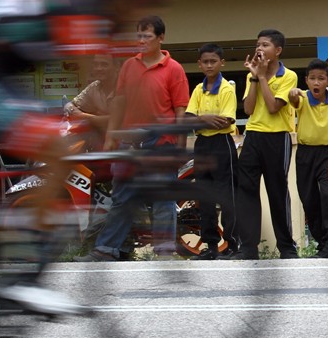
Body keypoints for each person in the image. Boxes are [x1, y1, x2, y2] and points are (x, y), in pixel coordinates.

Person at [0, 0, 166, 311]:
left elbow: (116, 96)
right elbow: (106, 86)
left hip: (3, 74)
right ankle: (22, 279)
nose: (139, 9)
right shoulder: (85, 8)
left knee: (52, 149)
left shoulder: (91, 4)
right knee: (56, 151)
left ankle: (22, 271)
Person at [76, 16, 190, 262]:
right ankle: (106, 250)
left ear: (161, 38)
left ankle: (164, 253)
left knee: (163, 199)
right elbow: (119, 103)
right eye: (138, 36)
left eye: (147, 36)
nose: (141, 41)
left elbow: (180, 109)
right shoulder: (129, 66)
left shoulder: (174, 69)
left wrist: (179, 145)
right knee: (122, 198)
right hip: (128, 143)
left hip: (160, 143)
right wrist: (110, 140)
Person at [230, 29, 299, 260]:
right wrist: (253, 78)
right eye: (258, 44)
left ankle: (287, 248)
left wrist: (261, 78)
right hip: (253, 136)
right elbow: (248, 110)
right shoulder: (254, 75)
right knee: (246, 191)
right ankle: (248, 248)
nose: (260, 48)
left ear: (277, 50)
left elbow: (272, 107)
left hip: (278, 138)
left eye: (265, 45)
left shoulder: (287, 75)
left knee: (277, 193)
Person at [289, 59, 328, 259]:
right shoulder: (303, 99)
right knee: (309, 200)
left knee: (327, 196)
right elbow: (293, 101)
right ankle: (322, 243)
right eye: (312, 78)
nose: (316, 83)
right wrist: (293, 93)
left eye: (321, 79)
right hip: (305, 154)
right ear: (306, 81)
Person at [185, 43, 239, 260]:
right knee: (204, 197)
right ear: (199, 64)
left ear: (221, 63)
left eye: (213, 61)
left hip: (222, 144)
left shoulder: (227, 89)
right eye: (205, 62)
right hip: (202, 146)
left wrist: (201, 120)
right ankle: (211, 246)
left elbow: (224, 122)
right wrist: (205, 119)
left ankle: (233, 244)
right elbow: (188, 120)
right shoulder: (198, 89)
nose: (209, 65)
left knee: (227, 197)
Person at [64, 53, 118, 149]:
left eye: (104, 64)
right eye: (96, 64)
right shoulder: (94, 87)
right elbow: (69, 106)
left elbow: (121, 120)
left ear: (116, 67)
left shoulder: (125, 87)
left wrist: (90, 119)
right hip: (101, 142)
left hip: (125, 143)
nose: (99, 68)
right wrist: (93, 118)